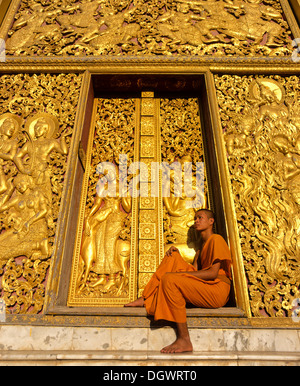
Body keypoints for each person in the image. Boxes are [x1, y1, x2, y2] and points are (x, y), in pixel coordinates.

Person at [125, 209, 232, 354]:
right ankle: (146, 297)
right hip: (206, 286)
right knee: (173, 256)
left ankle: (184, 339)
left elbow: (212, 273)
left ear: (211, 221)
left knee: (170, 279)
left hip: (217, 290)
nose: (196, 221)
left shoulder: (216, 239)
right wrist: (178, 261)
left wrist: (181, 275)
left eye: (200, 218)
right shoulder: (201, 249)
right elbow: (194, 273)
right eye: (195, 218)